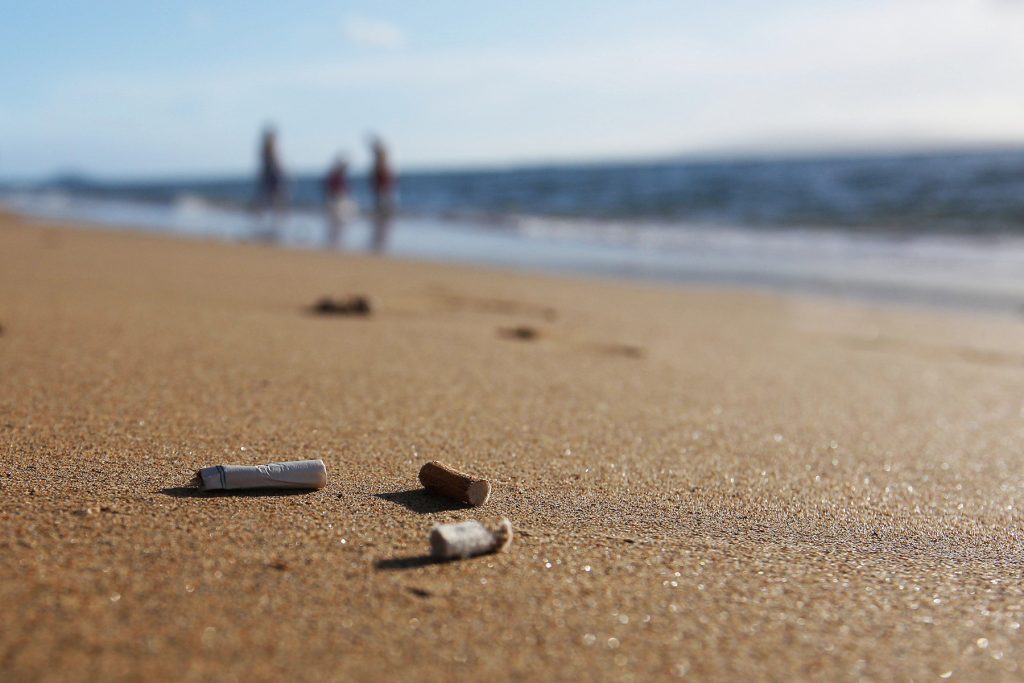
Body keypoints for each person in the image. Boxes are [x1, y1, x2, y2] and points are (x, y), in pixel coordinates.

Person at [254, 126, 287, 230]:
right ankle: (274, 221)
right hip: (271, 176)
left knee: (271, 198)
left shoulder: (267, 149)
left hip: (270, 176)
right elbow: (273, 165)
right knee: (273, 198)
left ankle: (273, 221)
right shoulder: (268, 150)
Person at [368, 136, 396, 252]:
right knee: (382, 210)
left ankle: (381, 236)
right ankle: (381, 236)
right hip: (382, 190)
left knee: (384, 210)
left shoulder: (382, 163)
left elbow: (385, 178)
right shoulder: (381, 164)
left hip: (384, 190)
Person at [323, 156, 356, 246]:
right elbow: (331, 187)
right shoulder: (335, 175)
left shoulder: (337, 175)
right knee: (337, 220)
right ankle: (334, 240)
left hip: (337, 199)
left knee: (338, 221)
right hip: (336, 199)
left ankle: (335, 239)